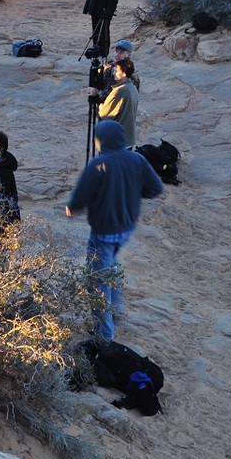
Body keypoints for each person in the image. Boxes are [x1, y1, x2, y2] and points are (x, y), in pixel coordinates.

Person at [65, 120, 164, 342]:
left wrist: (72, 206)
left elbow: (81, 197)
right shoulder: (137, 159)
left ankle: (104, 336)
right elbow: (155, 188)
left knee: (98, 281)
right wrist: (132, 193)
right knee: (111, 266)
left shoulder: (98, 164)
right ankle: (116, 310)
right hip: (126, 227)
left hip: (104, 231)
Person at [97, 59, 139, 149]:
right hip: (128, 139)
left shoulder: (119, 91)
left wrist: (100, 105)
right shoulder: (132, 88)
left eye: (116, 71)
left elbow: (104, 114)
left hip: (116, 141)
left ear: (124, 73)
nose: (114, 73)